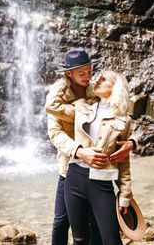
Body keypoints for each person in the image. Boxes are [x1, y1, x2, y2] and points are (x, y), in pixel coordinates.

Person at [45, 50, 137, 245]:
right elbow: (55, 133)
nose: (89, 77)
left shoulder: (93, 93)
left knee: (97, 226)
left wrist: (132, 142)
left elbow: (120, 121)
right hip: (70, 167)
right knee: (61, 222)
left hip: (99, 174)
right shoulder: (67, 101)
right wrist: (79, 151)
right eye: (82, 73)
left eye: (90, 71)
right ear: (69, 74)